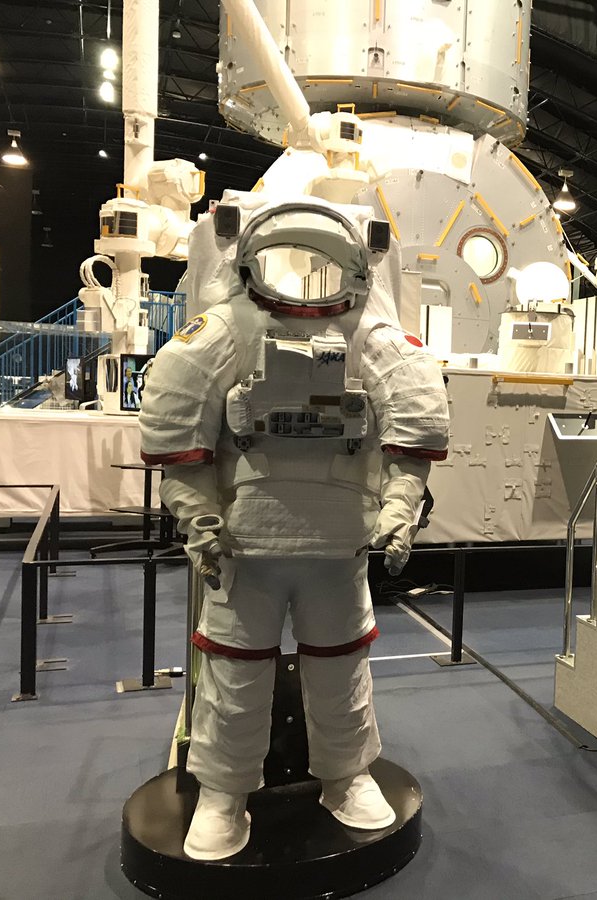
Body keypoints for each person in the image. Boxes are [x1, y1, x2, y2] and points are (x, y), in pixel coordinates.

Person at [140, 197, 449, 859]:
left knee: (341, 670)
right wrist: (200, 523)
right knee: (234, 674)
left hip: (339, 545)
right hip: (244, 545)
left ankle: (346, 775)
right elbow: (180, 443)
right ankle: (223, 792)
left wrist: (398, 514)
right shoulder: (226, 332)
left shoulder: (370, 338)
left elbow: (412, 439)